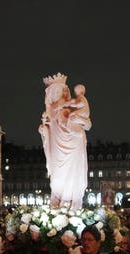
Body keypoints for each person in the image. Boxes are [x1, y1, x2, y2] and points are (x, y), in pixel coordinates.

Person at [39, 73, 90, 210]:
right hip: (57, 145)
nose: (55, 94)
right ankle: (57, 198)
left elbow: (88, 124)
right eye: (52, 91)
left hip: (74, 142)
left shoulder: (74, 104)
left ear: (65, 91)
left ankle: (71, 201)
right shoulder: (49, 110)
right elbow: (48, 129)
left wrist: (73, 119)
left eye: (58, 90)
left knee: (73, 171)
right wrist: (44, 131)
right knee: (56, 174)